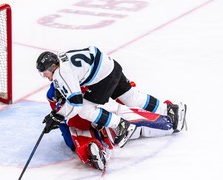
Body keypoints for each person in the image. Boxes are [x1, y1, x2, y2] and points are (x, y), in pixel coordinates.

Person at [36, 46, 187, 169]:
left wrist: (57, 115)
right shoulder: (63, 57)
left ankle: (121, 126)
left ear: (52, 66)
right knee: (132, 97)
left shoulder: (61, 73)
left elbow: (76, 104)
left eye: (45, 73)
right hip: (112, 66)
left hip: (102, 78)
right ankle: (170, 110)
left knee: (85, 110)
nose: (46, 77)